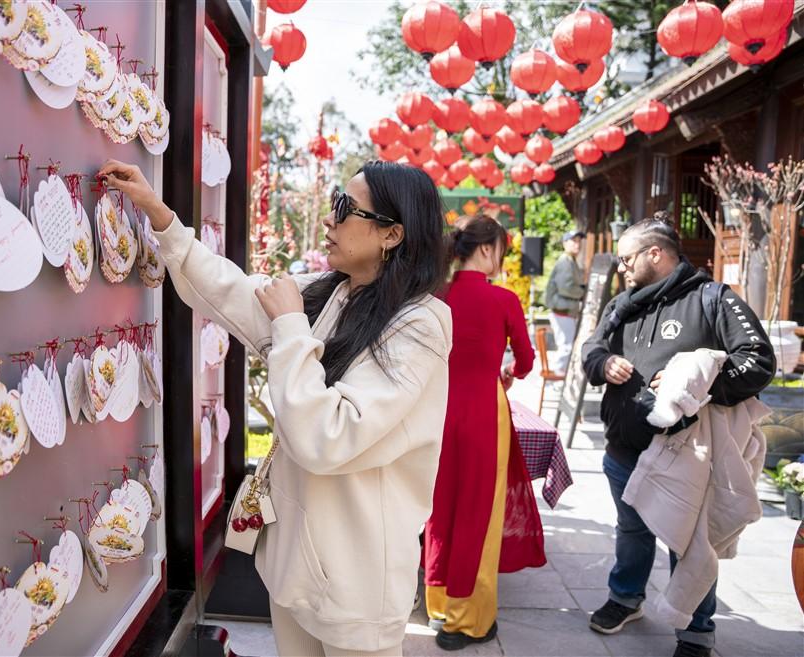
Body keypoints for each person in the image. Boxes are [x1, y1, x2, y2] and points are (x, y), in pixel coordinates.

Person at [100, 159, 452, 657]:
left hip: (356, 580)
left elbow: (328, 437)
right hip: (299, 565)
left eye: (345, 209)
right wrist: (160, 216)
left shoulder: (419, 324)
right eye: (334, 202)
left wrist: (290, 326)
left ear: (391, 234)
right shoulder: (332, 292)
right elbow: (233, 292)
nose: (330, 221)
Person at [582, 218, 775, 657]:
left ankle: (696, 630)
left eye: (628, 258)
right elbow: (590, 349)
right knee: (630, 529)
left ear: (656, 254)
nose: (622, 268)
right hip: (623, 448)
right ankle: (626, 598)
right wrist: (604, 363)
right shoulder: (621, 303)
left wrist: (700, 384)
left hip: (685, 454)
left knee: (689, 541)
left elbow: (759, 360)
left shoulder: (712, 298)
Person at [424, 216, 546, 651]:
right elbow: (527, 360)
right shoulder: (503, 300)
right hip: (482, 412)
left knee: (440, 508)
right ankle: (466, 619)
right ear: (488, 249)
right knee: (479, 510)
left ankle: (437, 604)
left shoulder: (435, 295)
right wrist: (509, 372)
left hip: (435, 410)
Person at [544, 230, 586, 375]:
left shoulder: (570, 260)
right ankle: (557, 377)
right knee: (566, 346)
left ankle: (558, 376)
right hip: (562, 310)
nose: (577, 244)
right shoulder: (565, 261)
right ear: (564, 243)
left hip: (565, 309)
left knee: (566, 345)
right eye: (573, 241)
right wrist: (583, 292)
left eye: (579, 241)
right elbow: (565, 288)